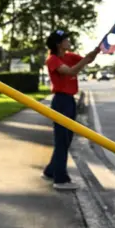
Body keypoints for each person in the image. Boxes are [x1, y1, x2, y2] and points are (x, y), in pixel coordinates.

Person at [43, 30, 99, 190]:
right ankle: (60, 179)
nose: (68, 41)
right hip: (60, 101)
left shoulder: (69, 56)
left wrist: (95, 52)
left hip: (69, 100)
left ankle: (50, 171)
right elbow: (71, 71)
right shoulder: (52, 60)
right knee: (62, 140)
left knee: (66, 140)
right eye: (65, 39)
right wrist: (85, 60)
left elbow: (87, 61)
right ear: (58, 44)